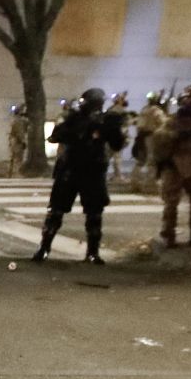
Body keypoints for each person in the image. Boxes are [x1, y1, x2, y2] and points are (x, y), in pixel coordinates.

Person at [32, 87, 127, 265]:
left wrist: (107, 128)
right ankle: (44, 248)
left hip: (93, 170)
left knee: (94, 212)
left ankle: (93, 252)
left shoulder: (106, 120)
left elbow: (117, 143)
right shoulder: (74, 118)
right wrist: (80, 129)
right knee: (56, 211)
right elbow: (55, 136)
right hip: (71, 167)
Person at [150, 84, 191, 248]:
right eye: (188, 99)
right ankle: (168, 235)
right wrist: (176, 136)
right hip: (174, 167)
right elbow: (159, 141)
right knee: (172, 203)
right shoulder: (172, 123)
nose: (190, 102)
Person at [130, 91, 168, 193]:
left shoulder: (144, 110)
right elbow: (164, 123)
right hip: (151, 137)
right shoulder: (156, 111)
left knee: (140, 160)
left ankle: (135, 183)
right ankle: (150, 185)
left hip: (141, 137)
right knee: (152, 161)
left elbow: (137, 123)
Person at [107, 91, 133, 181]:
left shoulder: (110, 110)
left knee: (109, 156)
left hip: (110, 136)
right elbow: (128, 122)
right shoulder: (120, 110)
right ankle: (117, 175)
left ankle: (113, 175)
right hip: (118, 137)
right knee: (117, 157)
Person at [7, 104, 30, 178]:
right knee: (18, 158)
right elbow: (20, 133)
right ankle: (16, 174)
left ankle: (11, 174)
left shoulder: (14, 120)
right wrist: (23, 141)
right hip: (17, 141)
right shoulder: (19, 121)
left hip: (13, 140)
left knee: (13, 157)